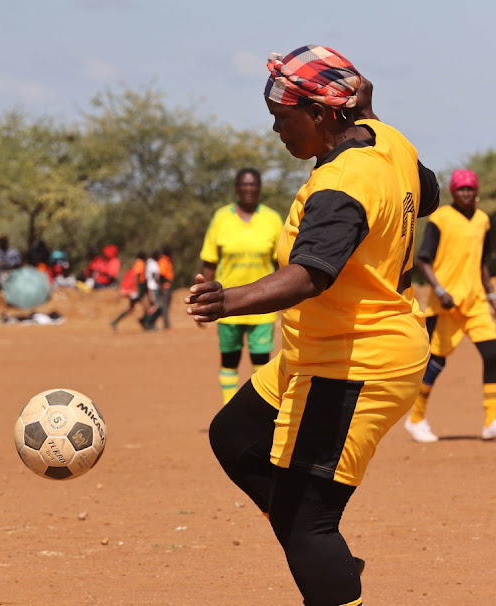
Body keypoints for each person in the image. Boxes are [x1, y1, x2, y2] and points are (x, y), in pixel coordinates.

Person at [186, 45, 439, 606]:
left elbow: (309, 275)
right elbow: (429, 194)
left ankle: (322, 557)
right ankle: (323, 553)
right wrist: (371, 113)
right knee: (234, 437)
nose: (275, 128)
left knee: (308, 525)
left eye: (283, 117)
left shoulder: (341, 185)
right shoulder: (388, 142)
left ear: (324, 114)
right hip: (316, 354)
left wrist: (229, 299)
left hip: (357, 363)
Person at [404, 169, 496, 442]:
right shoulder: (441, 218)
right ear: (453, 192)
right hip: (447, 303)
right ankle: (416, 418)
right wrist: (440, 290)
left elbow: (482, 262)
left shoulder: (482, 220)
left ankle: (492, 419)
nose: (465, 193)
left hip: (476, 301)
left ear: (475, 191)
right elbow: (423, 258)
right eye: (460, 189)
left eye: (469, 189)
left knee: (492, 354)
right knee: (437, 363)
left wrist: (490, 295)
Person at [199, 167, 283, 405]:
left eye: (253, 185)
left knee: (261, 361)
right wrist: (203, 301)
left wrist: (286, 299)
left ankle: (258, 411)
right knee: (230, 359)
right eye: (244, 184)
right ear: (237, 187)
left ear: (259, 189)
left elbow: (280, 263)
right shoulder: (221, 218)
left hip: (262, 304)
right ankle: (229, 407)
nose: (249, 189)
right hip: (227, 304)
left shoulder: (272, 219)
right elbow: (209, 263)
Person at [111, 251, 147, 330]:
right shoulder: (140, 264)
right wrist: (136, 288)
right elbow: (136, 276)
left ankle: (115, 322)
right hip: (136, 290)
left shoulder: (136, 264)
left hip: (134, 290)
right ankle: (145, 322)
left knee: (131, 309)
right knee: (145, 307)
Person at [157, 246, 175, 329]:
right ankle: (166, 325)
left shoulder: (167, 260)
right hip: (165, 286)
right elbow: (161, 275)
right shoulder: (163, 261)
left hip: (168, 285)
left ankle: (166, 324)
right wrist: (161, 287)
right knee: (164, 306)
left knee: (166, 306)